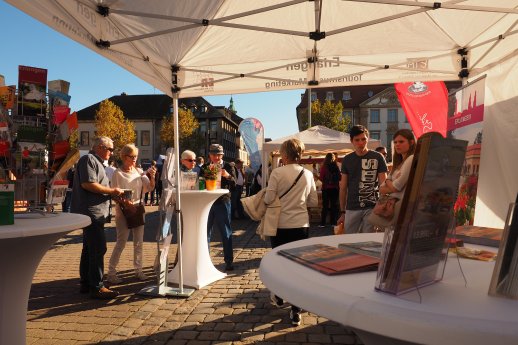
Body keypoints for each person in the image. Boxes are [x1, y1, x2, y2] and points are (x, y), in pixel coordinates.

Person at [265, 138, 318, 326]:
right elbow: (313, 202)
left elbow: (269, 197)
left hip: (280, 225)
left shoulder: (277, 172)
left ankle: (279, 294)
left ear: (284, 154)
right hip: (301, 225)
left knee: (280, 263)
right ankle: (296, 308)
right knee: (298, 266)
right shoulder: (308, 173)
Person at [71, 136, 123, 299]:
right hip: (91, 212)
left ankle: (87, 283)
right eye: (110, 149)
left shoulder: (96, 162)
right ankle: (97, 285)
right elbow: (88, 184)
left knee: (89, 249)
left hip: (94, 212)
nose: (112, 153)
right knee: (98, 248)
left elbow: (96, 186)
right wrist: (112, 191)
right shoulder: (89, 159)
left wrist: (113, 195)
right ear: (100, 147)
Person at [107, 144, 156, 284]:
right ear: (124, 157)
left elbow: (150, 188)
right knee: (121, 241)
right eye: (132, 156)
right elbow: (114, 194)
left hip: (138, 208)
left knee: (138, 242)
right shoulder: (118, 173)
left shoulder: (139, 171)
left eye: (136, 156)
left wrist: (152, 176)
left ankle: (138, 270)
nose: (134, 159)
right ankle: (111, 273)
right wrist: (124, 202)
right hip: (123, 211)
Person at [337, 125, 388, 233]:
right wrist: (342, 212)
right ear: (352, 141)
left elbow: (383, 185)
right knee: (349, 242)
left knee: (368, 243)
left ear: (367, 139)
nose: (361, 142)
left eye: (363, 139)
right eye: (357, 140)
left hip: (372, 207)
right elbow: (343, 187)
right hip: (352, 207)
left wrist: (381, 207)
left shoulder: (378, 157)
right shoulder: (347, 159)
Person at [202, 144, 236, 271]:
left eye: (218, 155)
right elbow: (200, 183)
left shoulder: (228, 166)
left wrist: (227, 175)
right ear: (210, 155)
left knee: (226, 232)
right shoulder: (205, 166)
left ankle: (228, 261)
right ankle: (205, 260)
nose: (216, 157)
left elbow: (235, 183)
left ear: (222, 155)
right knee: (205, 232)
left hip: (222, 202)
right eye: (213, 154)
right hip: (207, 203)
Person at [378, 129, 416, 219]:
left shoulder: (411, 158)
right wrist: (390, 182)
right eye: (395, 142)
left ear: (411, 142)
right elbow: (381, 189)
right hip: (394, 206)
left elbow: (396, 187)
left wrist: (388, 180)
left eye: (401, 141)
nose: (397, 144)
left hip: (402, 207)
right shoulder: (399, 163)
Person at [319, 152, 340, 227]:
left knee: (325, 206)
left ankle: (323, 223)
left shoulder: (324, 167)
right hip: (335, 188)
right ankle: (333, 223)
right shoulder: (336, 167)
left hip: (326, 188)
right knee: (334, 206)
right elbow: (339, 177)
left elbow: (321, 178)